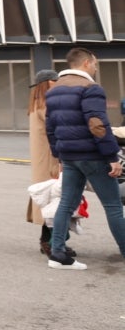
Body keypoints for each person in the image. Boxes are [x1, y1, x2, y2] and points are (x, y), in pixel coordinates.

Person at [44, 47, 125, 270]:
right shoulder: (91, 88)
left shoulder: (53, 91)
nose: (96, 68)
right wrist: (112, 156)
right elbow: (97, 125)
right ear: (87, 63)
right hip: (93, 156)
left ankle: (57, 253)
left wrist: (58, 156)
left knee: (66, 204)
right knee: (113, 205)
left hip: (69, 156)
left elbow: (50, 127)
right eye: (95, 64)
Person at [26, 68, 65, 257]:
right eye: (56, 80)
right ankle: (49, 242)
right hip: (50, 159)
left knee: (49, 198)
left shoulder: (36, 103)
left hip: (41, 159)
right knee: (54, 200)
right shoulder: (47, 104)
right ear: (49, 82)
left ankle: (52, 241)